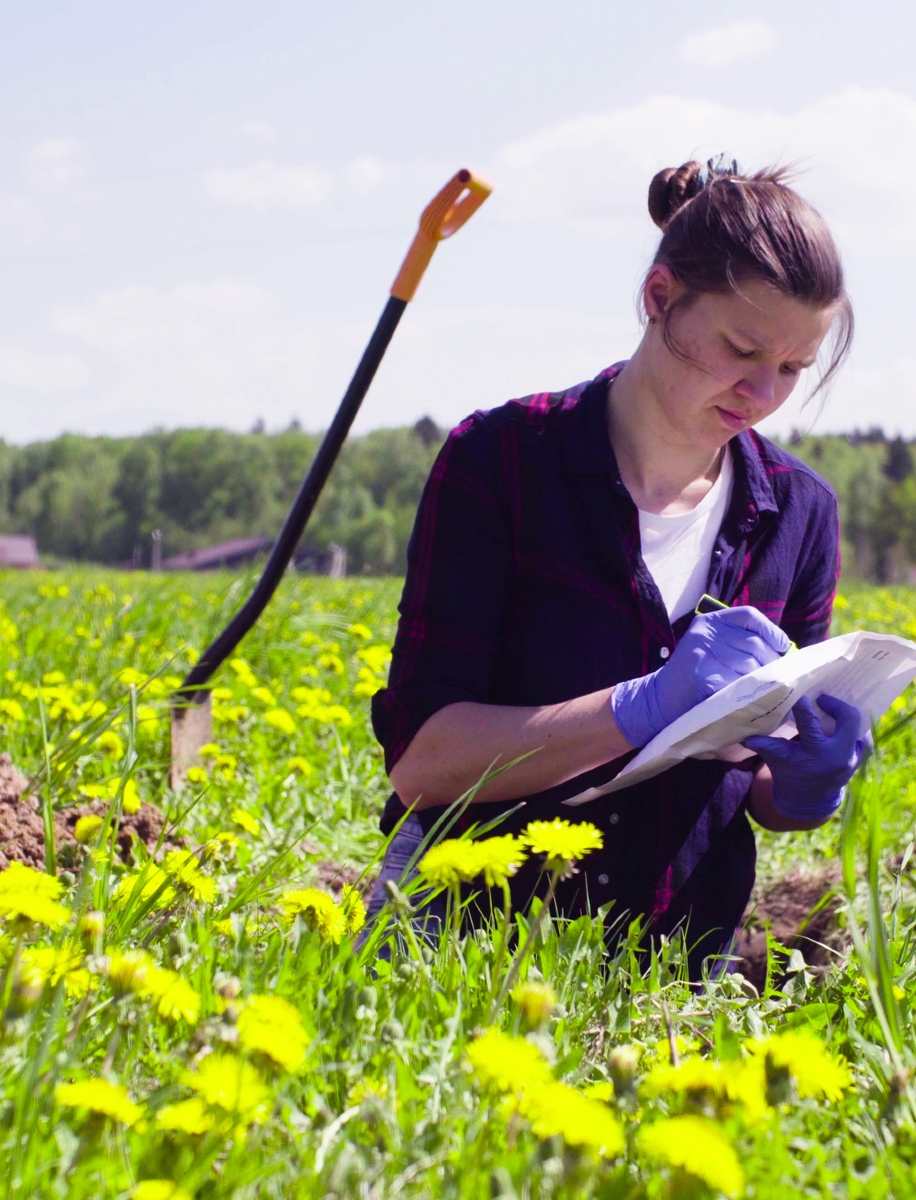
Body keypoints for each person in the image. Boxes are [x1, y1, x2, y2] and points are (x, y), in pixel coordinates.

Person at [368, 158, 863, 978]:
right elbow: (425, 764)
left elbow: (760, 781)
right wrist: (640, 706)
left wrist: (806, 783)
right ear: (660, 298)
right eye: (741, 349)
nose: (762, 390)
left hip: (676, 967)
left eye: (793, 367)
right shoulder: (503, 464)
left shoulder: (800, 513)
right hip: (461, 956)